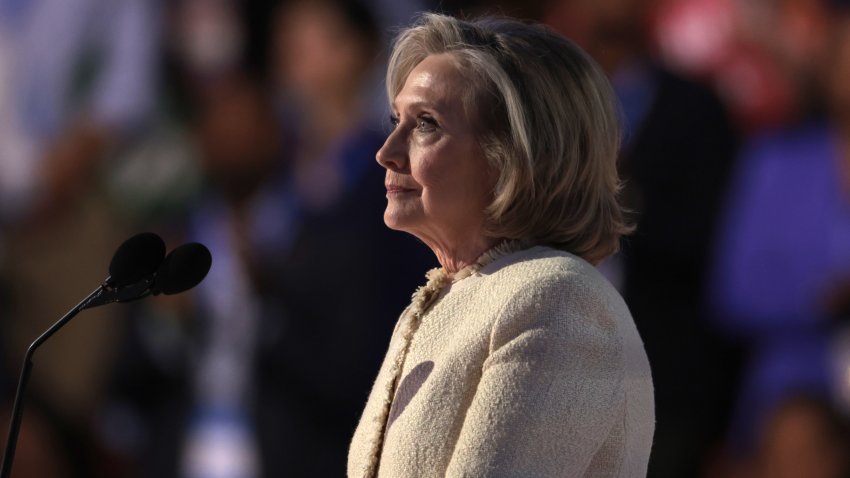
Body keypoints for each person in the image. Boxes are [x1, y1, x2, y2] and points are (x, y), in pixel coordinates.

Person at [347, 13, 655, 477]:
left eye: (426, 123)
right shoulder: (446, 298)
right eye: (396, 119)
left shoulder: (557, 301)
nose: (387, 150)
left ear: (515, 156)